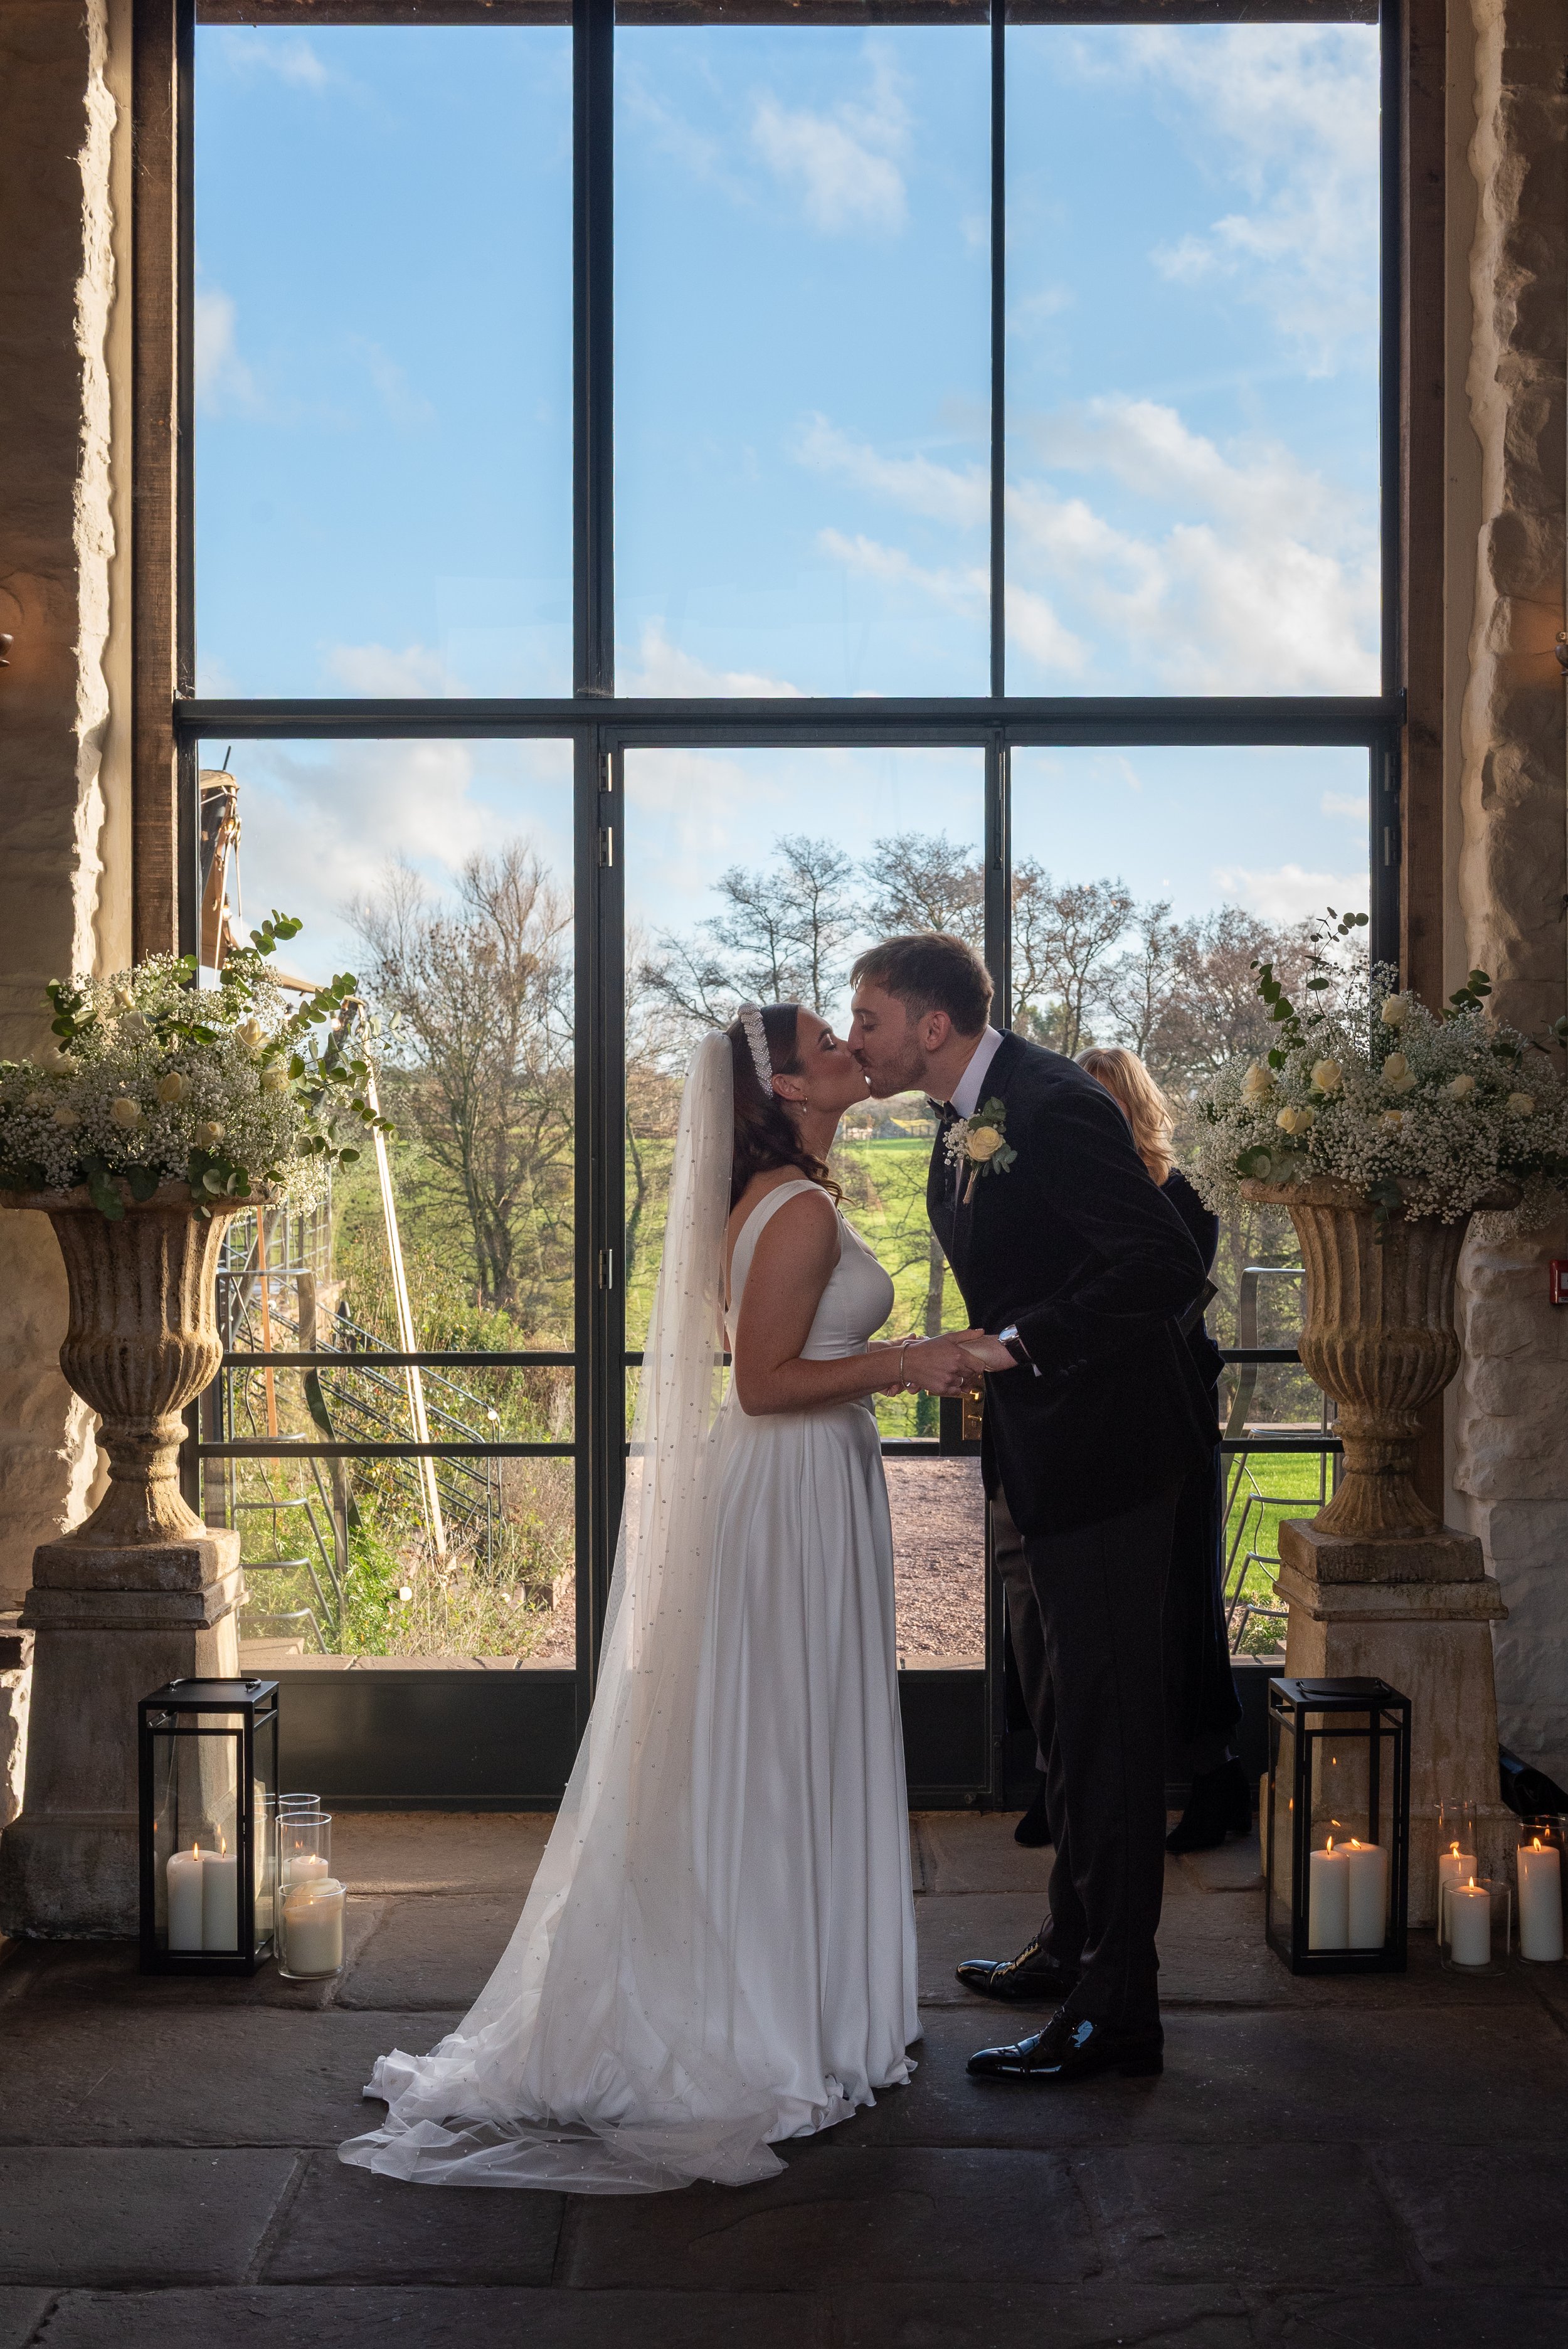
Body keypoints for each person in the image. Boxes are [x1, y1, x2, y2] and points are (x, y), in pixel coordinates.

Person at [339, 1003, 975, 2193]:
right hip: (790, 1484)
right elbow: (770, 1385)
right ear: (784, 1090)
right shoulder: (790, 1210)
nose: (849, 1047)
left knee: (784, 1739)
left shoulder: (790, 1197)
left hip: (804, 1491)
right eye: (825, 1045)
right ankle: (776, 2021)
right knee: (784, 1744)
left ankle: (798, 1993)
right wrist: (913, 1359)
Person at [848, 935, 1214, 2086]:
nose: (855, 1037)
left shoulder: (1054, 1106)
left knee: (1109, 1734)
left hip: (1108, 1460)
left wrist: (1014, 1345)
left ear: (932, 1026)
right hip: (1037, 1459)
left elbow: (1164, 1264)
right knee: (1060, 1715)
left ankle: (1121, 2011)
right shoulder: (971, 1116)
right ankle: (1070, 1943)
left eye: (868, 1018)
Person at [1076, 1048, 1249, 1853]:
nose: (1096, 1115)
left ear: (1134, 1106)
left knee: (1183, 1601)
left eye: (1109, 1101)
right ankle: (1078, 1787)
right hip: (1100, 1416)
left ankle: (1214, 1781)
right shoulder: (1074, 1193)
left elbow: (1168, 1299)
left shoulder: (1185, 1197)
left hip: (1173, 1416)